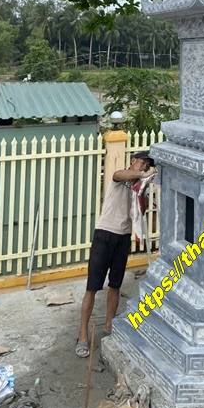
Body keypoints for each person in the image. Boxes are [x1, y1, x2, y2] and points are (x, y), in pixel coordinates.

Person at [75, 150, 156, 357]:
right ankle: (82, 335)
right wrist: (142, 175)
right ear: (133, 161)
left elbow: (141, 210)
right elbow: (118, 175)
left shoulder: (139, 186)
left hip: (123, 237)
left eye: (147, 165)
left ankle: (109, 325)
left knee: (115, 285)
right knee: (92, 286)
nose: (145, 167)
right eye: (142, 163)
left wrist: (143, 194)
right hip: (105, 234)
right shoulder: (121, 177)